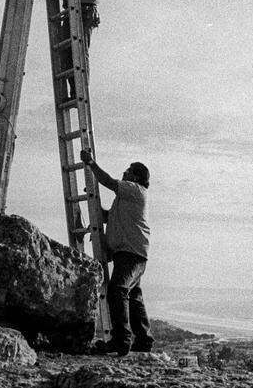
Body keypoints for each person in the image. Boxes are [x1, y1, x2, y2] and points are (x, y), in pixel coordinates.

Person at [80, 149, 153, 356]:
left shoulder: (135, 190)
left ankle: (121, 340)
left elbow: (109, 182)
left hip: (131, 252)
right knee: (133, 296)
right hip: (131, 252)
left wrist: (91, 163)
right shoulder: (125, 199)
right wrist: (92, 200)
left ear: (135, 177)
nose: (124, 172)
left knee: (117, 290)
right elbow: (106, 217)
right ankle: (144, 340)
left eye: (128, 171)